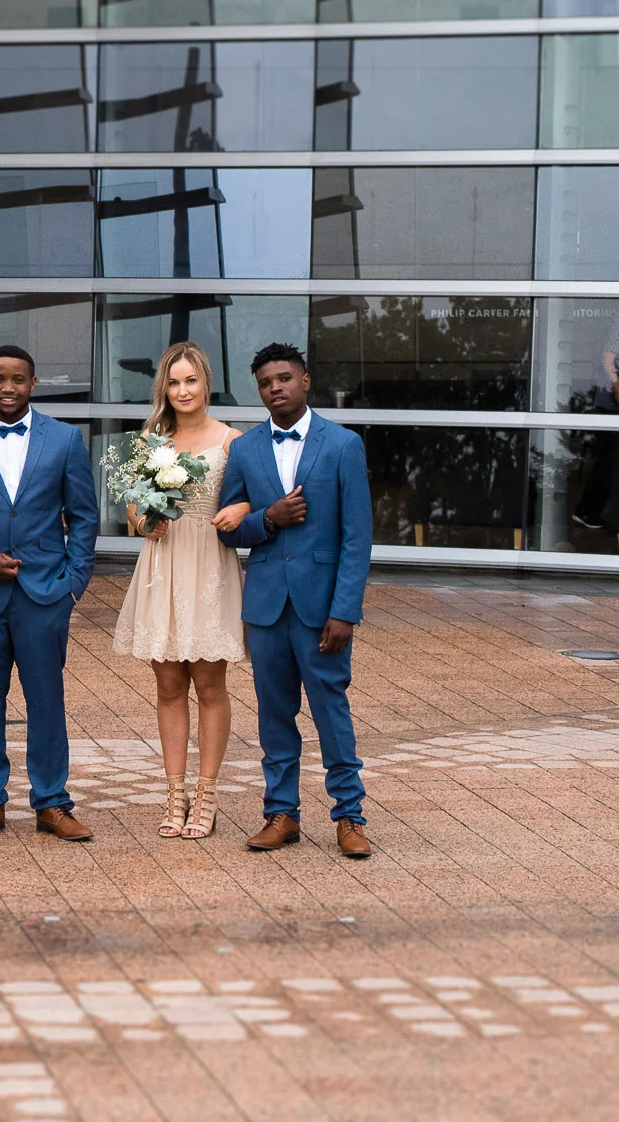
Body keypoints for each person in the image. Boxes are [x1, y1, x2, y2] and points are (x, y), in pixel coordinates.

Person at [218, 343, 376, 860]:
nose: (276, 388)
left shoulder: (343, 445)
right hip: (266, 609)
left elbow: (357, 537)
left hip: (321, 611)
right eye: (266, 383)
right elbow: (228, 529)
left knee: (332, 712)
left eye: (285, 378)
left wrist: (344, 610)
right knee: (273, 714)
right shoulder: (244, 450)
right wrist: (269, 519)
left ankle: (349, 816)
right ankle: (280, 814)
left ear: (306, 381)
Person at [0, 345, 99, 843]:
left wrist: (73, 584)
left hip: (44, 594)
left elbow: (85, 516)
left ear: (33, 384)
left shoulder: (65, 439)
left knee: (47, 701)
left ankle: (52, 802)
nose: (7, 387)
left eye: (17, 379)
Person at [112, 341, 249, 840]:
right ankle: (175, 792)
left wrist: (243, 512)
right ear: (163, 389)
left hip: (209, 564)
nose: (183, 390)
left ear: (206, 382)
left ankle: (207, 793)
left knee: (210, 685)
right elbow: (133, 512)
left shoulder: (234, 441)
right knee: (168, 686)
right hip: (163, 564)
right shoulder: (150, 441)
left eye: (190, 380)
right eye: (174, 382)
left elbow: (251, 503)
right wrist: (144, 519)